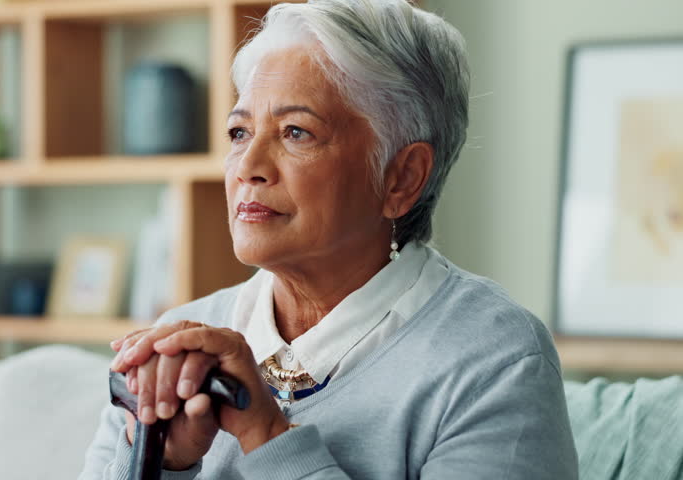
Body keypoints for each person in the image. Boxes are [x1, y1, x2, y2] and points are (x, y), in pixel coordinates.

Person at [81, 0, 578, 478]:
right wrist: (156, 459)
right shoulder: (178, 341)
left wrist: (269, 437)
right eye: (238, 133)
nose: (248, 168)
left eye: (296, 132)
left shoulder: (494, 358)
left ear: (402, 178)